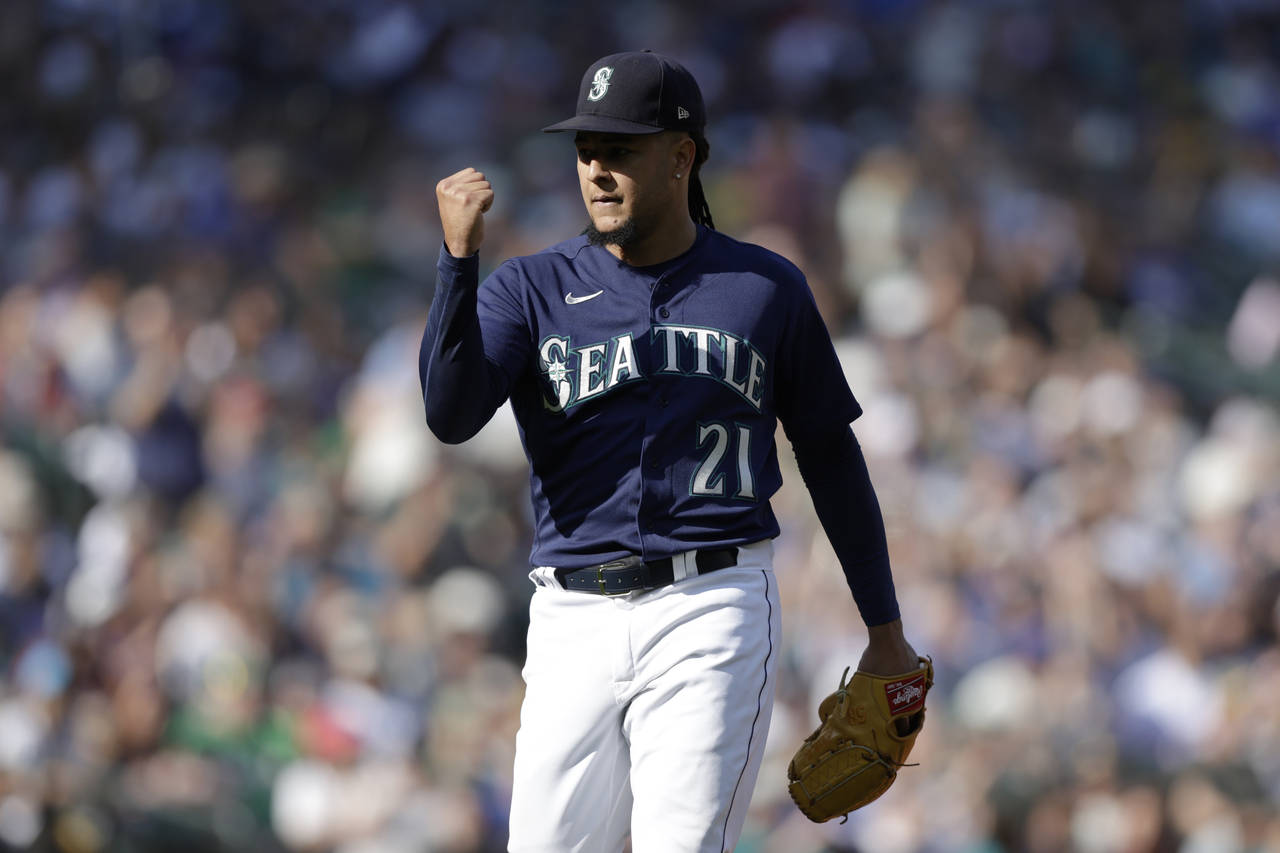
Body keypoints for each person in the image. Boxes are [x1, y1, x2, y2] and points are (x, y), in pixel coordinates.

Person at [420, 50, 919, 853]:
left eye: (621, 150)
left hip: (710, 603)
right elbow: (450, 414)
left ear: (682, 157)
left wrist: (884, 628)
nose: (597, 170)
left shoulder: (763, 287)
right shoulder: (531, 287)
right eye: (586, 150)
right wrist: (457, 263)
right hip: (571, 613)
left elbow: (829, 453)